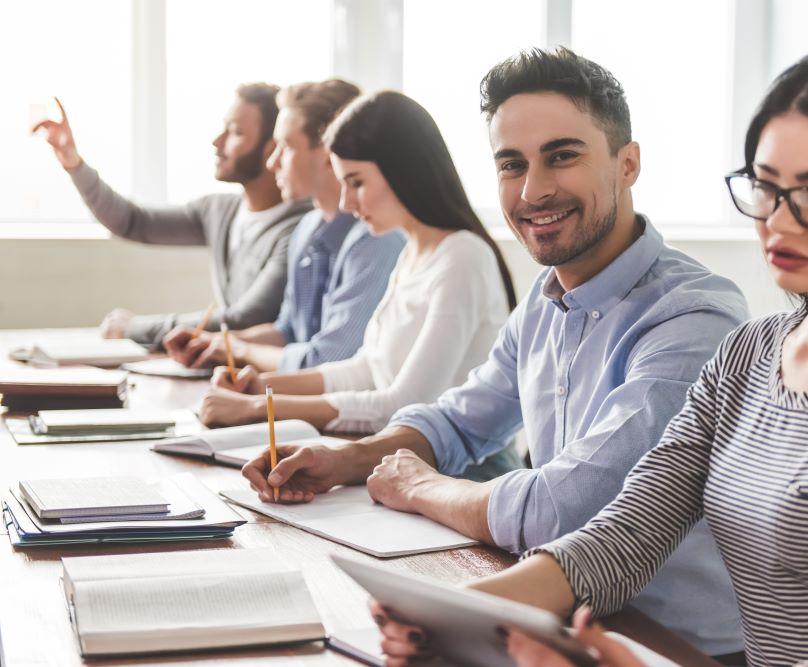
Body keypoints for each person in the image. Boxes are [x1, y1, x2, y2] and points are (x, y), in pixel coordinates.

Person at [375, 41, 808, 666]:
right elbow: (624, 536)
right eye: (767, 188)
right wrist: (452, 616)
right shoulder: (750, 354)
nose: (780, 222)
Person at [242, 49, 749, 660]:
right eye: (512, 165)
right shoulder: (545, 297)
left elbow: (566, 508)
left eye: (562, 156)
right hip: (553, 620)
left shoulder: (696, 316)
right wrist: (346, 460)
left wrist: (424, 487)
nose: (533, 190)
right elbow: (460, 418)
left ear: (628, 163)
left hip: (663, 646)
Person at [199, 90, 519, 449]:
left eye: (356, 183)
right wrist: (263, 385)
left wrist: (258, 407)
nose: (346, 203)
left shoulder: (462, 258)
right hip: (393, 456)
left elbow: (401, 406)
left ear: (402, 171)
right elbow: (367, 370)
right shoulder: (413, 252)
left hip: (460, 473)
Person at [32, 85, 311, 348]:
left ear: (272, 147)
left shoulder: (301, 228)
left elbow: (247, 317)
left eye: (235, 132)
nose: (217, 141)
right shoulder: (218, 210)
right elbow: (132, 222)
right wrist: (74, 163)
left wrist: (135, 327)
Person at [163, 79, 404, 372]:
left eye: (286, 147)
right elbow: (287, 331)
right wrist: (217, 342)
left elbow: (329, 361)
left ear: (329, 153)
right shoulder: (306, 229)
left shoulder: (376, 239)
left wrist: (239, 348)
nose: (272, 163)